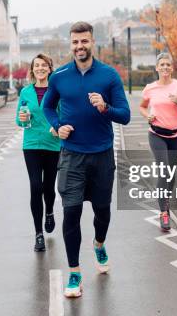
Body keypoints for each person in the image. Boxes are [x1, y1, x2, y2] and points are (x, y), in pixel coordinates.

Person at [42, 21, 130, 298]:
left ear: (93, 42)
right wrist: (57, 126)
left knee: (102, 211)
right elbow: (47, 106)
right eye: (75, 42)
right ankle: (75, 274)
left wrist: (105, 107)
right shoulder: (60, 76)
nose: (80, 46)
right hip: (71, 156)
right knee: (71, 212)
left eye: (85, 41)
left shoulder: (109, 75)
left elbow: (125, 115)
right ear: (71, 44)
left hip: (102, 154)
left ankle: (99, 243)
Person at [139, 52, 177, 231]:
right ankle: (164, 212)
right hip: (156, 134)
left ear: (172, 67)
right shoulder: (150, 88)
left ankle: (165, 201)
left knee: (171, 173)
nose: (165, 68)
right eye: (161, 65)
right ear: (157, 68)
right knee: (164, 171)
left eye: (168, 65)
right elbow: (142, 106)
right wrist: (148, 116)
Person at [16, 54, 61, 252]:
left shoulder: (57, 91)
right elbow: (19, 121)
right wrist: (22, 118)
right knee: (35, 186)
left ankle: (49, 211)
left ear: (49, 69)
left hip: (52, 144)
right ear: (32, 70)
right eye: (37, 66)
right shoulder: (25, 92)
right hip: (31, 144)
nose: (40, 68)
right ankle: (38, 234)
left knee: (49, 186)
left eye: (44, 65)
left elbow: (65, 113)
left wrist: (58, 126)